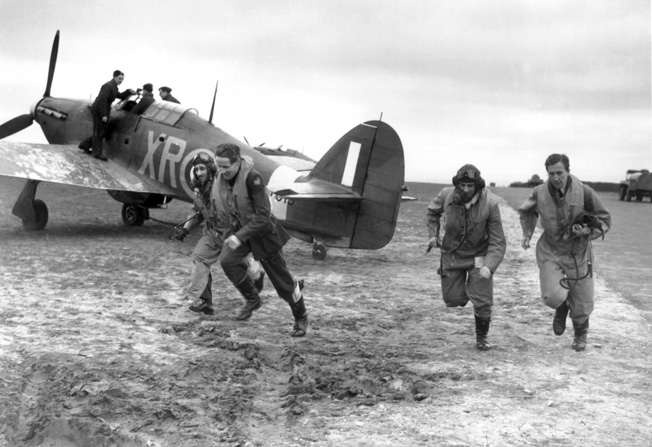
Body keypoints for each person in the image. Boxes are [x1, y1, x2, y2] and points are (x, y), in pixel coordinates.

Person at [212, 143, 308, 337]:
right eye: (218, 166)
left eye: (225, 167)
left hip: (264, 235)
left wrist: (239, 237)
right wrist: (229, 234)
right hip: (242, 232)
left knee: (284, 284)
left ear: (238, 162)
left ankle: (301, 317)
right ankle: (252, 299)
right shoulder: (221, 178)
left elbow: (263, 215)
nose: (222, 171)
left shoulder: (253, 178)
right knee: (227, 261)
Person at [518, 154, 611, 352]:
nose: (555, 177)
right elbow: (526, 211)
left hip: (578, 252)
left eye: (559, 172)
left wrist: (587, 231)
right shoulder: (539, 192)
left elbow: (604, 220)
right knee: (552, 295)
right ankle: (561, 306)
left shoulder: (585, 191)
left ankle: (580, 334)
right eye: (551, 173)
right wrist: (527, 233)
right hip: (551, 250)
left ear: (568, 171)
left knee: (583, 302)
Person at [171, 153, 264, 316]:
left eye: (202, 169)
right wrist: (186, 228)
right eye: (196, 169)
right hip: (212, 233)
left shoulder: (225, 185)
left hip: (231, 232)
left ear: (211, 169)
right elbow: (197, 211)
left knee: (233, 263)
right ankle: (205, 301)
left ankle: (255, 279)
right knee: (199, 257)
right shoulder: (198, 189)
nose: (199, 173)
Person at [427, 164, 506, 350]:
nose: (466, 189)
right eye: (462, 185)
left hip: (479, 256)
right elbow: (432, 212)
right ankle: (472, 291)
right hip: (453, 254)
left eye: (470, 186)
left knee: (483, 301)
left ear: (477, 186)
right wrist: (433, 234)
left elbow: (498, 241)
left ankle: (482, 337)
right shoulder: (446, 196)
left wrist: (490, 265)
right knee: (452, 299)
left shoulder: (491, 204)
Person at [89, 70, 135, 160]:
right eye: (119, 78)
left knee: (102, 130)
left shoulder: (114, 86)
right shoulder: (108, 86)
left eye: (122, 79)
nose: (121, 80)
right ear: (114, 77)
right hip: (99, 110)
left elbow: (119, 95)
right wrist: (103, 115)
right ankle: (97, 153)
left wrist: (128, 91)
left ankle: (84, 145)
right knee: (99, 131)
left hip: (104, 110)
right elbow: (102, 101)